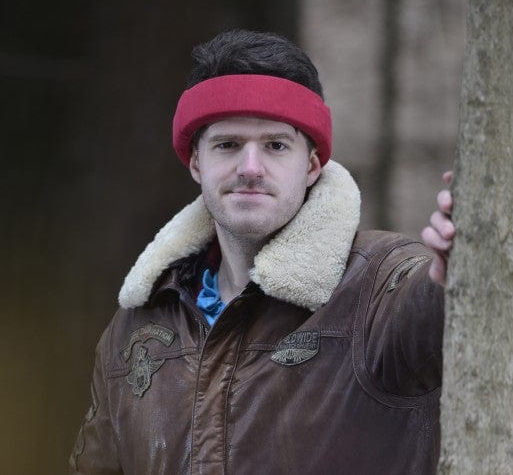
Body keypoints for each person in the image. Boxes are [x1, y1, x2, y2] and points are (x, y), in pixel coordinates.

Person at [70, 29, 455, 475]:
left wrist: (457, 273)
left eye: (275, 145)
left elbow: (439, 314)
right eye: (228, 145)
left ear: (311, 165)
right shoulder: (136, 327)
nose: (251, 168)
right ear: (197, 162)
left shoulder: (381, 284)